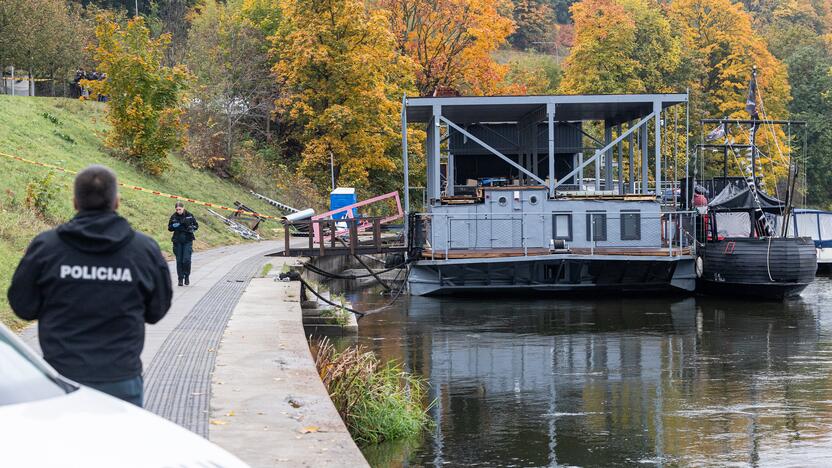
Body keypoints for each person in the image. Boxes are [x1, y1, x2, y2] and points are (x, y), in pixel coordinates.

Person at [7, 165, 172, 406]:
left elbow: (23, 306)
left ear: (75, 202)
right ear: (116, 202)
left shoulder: (47, 248)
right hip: (121, 381)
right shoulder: (143, 250)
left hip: (62, 380)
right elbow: (156, 310)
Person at [168, 201, 199, 286]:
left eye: (180, 209)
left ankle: (187, 276)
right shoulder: (174, 216)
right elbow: (169, 228)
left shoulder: (189, 215)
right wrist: (174, 226)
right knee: (179, 261)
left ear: (183, 208)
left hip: (188, 240)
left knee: (186, 260)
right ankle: (180, 279)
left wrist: (192, 228)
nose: (178, 211)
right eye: (177, 209)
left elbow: (196, 226)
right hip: (177, 241)